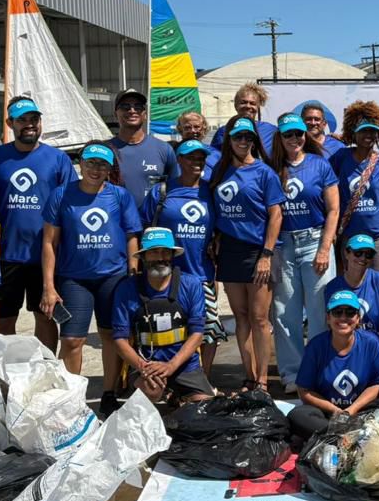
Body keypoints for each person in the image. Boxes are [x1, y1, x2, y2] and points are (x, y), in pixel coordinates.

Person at [41, 142, 141, 416]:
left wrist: (133, 271)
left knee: (112, 336)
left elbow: (132, 235)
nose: (96, 169)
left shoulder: (120, 196)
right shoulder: (61, 195)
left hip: (113, 277)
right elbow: (49, 242)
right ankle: (72, 397)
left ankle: (109, 393)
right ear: (81, 164)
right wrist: (48, 286)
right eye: (91, 163)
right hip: (74, 279)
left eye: (102, 164)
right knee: (72, 340)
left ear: (110, 169)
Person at [0, 97, 76, 350]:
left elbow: (69, 205)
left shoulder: (58, 159)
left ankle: (44, 371)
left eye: (34, 119)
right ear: (10, 123)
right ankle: (9, 375)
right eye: (22, 120)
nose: (29, 125)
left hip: (46, 254)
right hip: (5, 255)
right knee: (4, 319)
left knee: (45, 315)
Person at [211, 116, 285, 392]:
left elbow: (276, 214)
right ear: (229, 140)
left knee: (259, 318)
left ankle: (263, 380)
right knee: (240, 316)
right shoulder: (219, 170)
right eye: (237, 137)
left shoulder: (265, 172)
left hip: (258, 251)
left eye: (248, 137)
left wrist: (266, 253)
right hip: (229, 250)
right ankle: (249, 376)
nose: (243, 142)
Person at [267, 111, 340, 393]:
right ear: (280, 138)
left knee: (321, 310)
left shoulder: (319, 165)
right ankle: (292, 375)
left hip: (314, 241)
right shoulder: (271, 167)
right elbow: (267, 213)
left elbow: (333, 209)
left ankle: (320, 371)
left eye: (299, 133)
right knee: (285, 313)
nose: (295, 138)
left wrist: (324, 248)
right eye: (288, 134)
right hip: (283, 246)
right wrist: (270, 251)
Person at [142, 139, 226, 378]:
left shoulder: (211, 191)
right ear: (179, 160)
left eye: (201, 157)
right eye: (190, 157)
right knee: (169, 329)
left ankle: (202, 378)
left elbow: (221, 225)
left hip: (202, 274)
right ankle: (167, 377)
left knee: (208, 329)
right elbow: (144, 228)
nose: (197, 161)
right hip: (165, 275)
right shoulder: (162, 191)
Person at [110, 227, 214, 405]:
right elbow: (119, 340)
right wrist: (143, 367)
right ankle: (159, 393)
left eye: (165, 252)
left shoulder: (191, 284)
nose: (160, 258)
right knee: (151, 391)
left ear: (172, 255)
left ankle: (178, 394)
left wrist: (172, 365)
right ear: (143, 257)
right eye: (154, 252)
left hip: (183, 365)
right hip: (146, 366)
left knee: (204, 407)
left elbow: (197, 334)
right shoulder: (126, 288)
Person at [290, 289, 379, 440]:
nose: (343, 317)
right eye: (337, 312)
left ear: (358, 319)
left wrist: (351, 411)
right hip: (326, 414)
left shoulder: (371, 342)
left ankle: (335, 437)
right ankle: (348, 435)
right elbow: (304, 391)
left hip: (360, 411)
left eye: (350, 312)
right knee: (298, 415)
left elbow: (377, 384)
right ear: (328, 318)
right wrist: (335, 411)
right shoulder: (315, 346)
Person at [330, 101, 379, 271]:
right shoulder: (340, 158)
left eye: (372, 130)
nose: (368, 135)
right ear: (353, 133)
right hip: (350, 237)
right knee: (351, 290)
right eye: (362, 130)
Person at [323, 234, 379, 350]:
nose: (363, 258)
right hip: (345, 348)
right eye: (358, 252)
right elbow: (332, 325)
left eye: (368, 254)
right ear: (346, 253)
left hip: (375, 347)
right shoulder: (332, 287)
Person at [107, 89, 175, 207]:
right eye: (125, 106)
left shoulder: (164, 149)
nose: (132, 111)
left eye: (138, 107)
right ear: (115, 114)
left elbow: (175, 190)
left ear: (145, 114)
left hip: (154, 222)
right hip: (116, 222)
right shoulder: (105, 150)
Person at [209, 82, 278, 153]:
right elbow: (214, 159)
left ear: (258, 107)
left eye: (252, 103)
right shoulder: (224, 131)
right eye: (243, 102)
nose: (248, 106)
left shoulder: (271, 130)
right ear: (236, 105)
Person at [171, 111, 222, 183]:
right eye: (187, 127)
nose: (192, 131)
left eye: (197, 127)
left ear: (204, 129)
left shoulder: (215, 155)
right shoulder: (171, 152)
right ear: (180, 129)